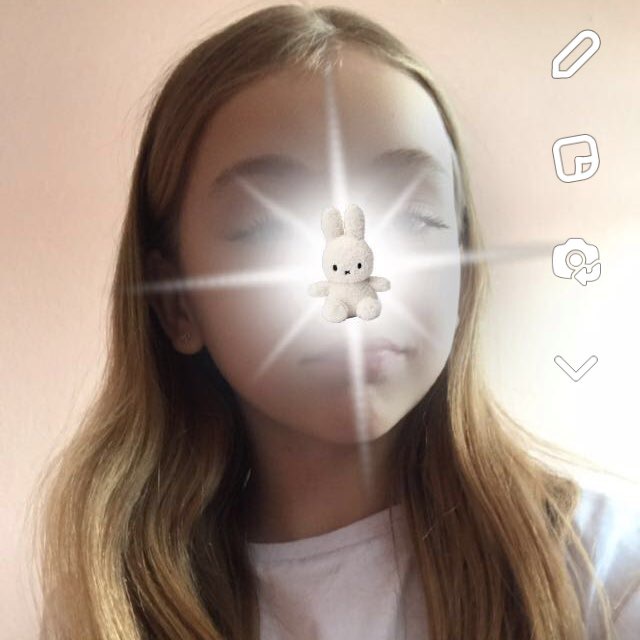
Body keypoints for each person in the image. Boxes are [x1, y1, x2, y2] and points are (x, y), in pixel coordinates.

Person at [31, 4, 639, 639]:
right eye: (269, 226)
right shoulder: (106, 610)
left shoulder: (605, 573)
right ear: (176, 302)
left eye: (413, 218)